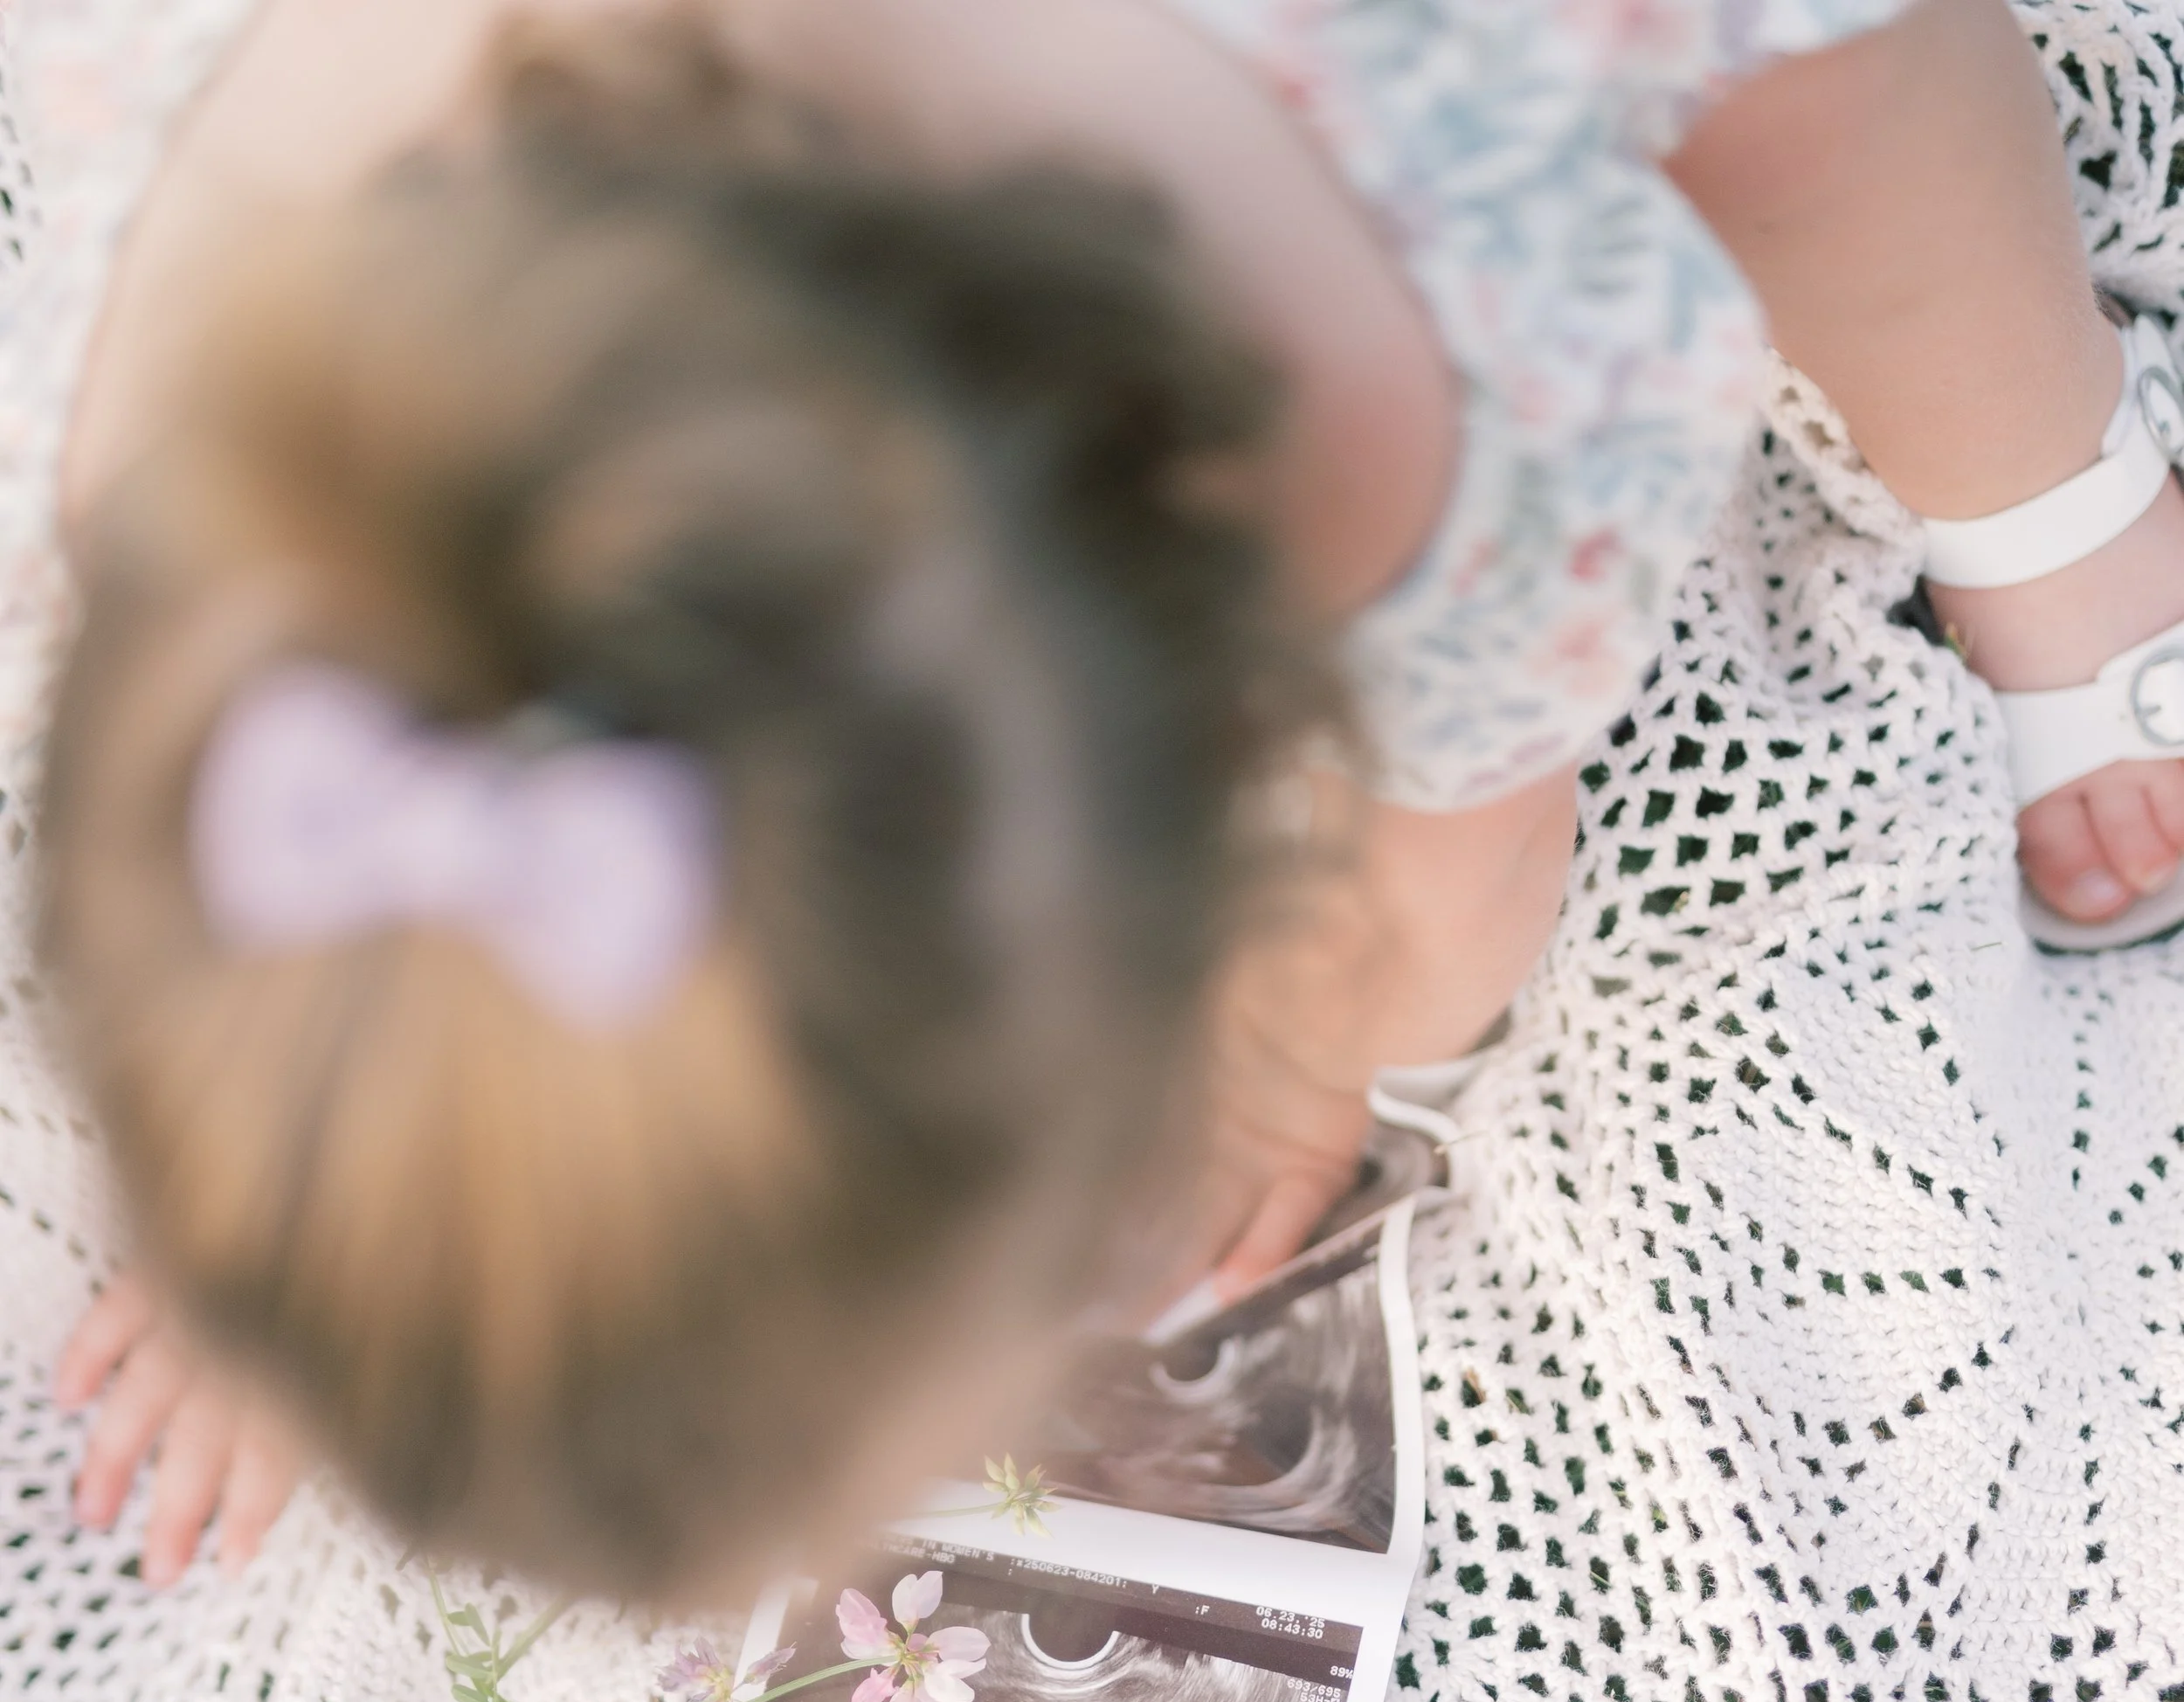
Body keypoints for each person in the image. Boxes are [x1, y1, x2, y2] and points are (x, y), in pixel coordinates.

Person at [40, 0, 2184, 1598]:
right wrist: (342, 1147)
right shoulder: (158, 416)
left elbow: (1456, 856)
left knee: (1825, 99)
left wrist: (1311, 1050)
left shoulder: (1422, 406)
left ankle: (2051, 483)